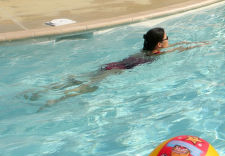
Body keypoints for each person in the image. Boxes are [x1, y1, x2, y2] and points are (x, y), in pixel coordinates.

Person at [32, 28, 205, 107]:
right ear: (159, 44)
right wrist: (197, 44)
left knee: (77, 78)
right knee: (89, 87)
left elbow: (175, 46)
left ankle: (42, 90)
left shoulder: (144, 51)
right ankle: (55, 100)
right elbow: (179, 49)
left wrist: (182, 42)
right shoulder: (159, 54)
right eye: (168, 38)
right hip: (117, 71)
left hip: (112, 65)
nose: (169, 40)